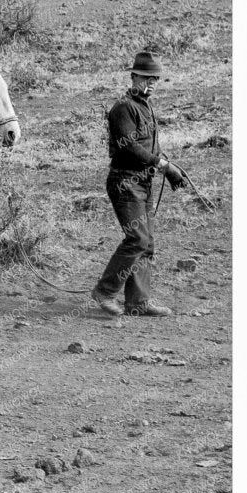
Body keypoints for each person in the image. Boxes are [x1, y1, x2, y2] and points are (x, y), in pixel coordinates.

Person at [91, 50, 189, 317]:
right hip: (125, 182)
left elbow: (148, 146)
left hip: (142, 183)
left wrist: (167, 164)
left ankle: (138, 302)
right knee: (137, 238)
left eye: (154, 78)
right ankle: (105, 291)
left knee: (147, 243)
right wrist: (164, 166)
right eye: (145, 77)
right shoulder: (123, 107)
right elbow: (129, 147)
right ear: (133, 77)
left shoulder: (144, 105)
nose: (151, 82)